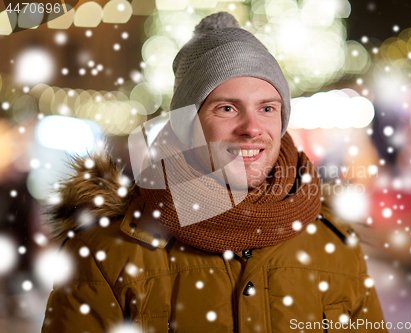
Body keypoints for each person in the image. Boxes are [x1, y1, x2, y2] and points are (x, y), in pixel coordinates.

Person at [42, 12, 387, 333]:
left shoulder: (333, 244)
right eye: (226, 108)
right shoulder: (106, 254)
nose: (252, 128)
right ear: (184, 125)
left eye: (267, 108)